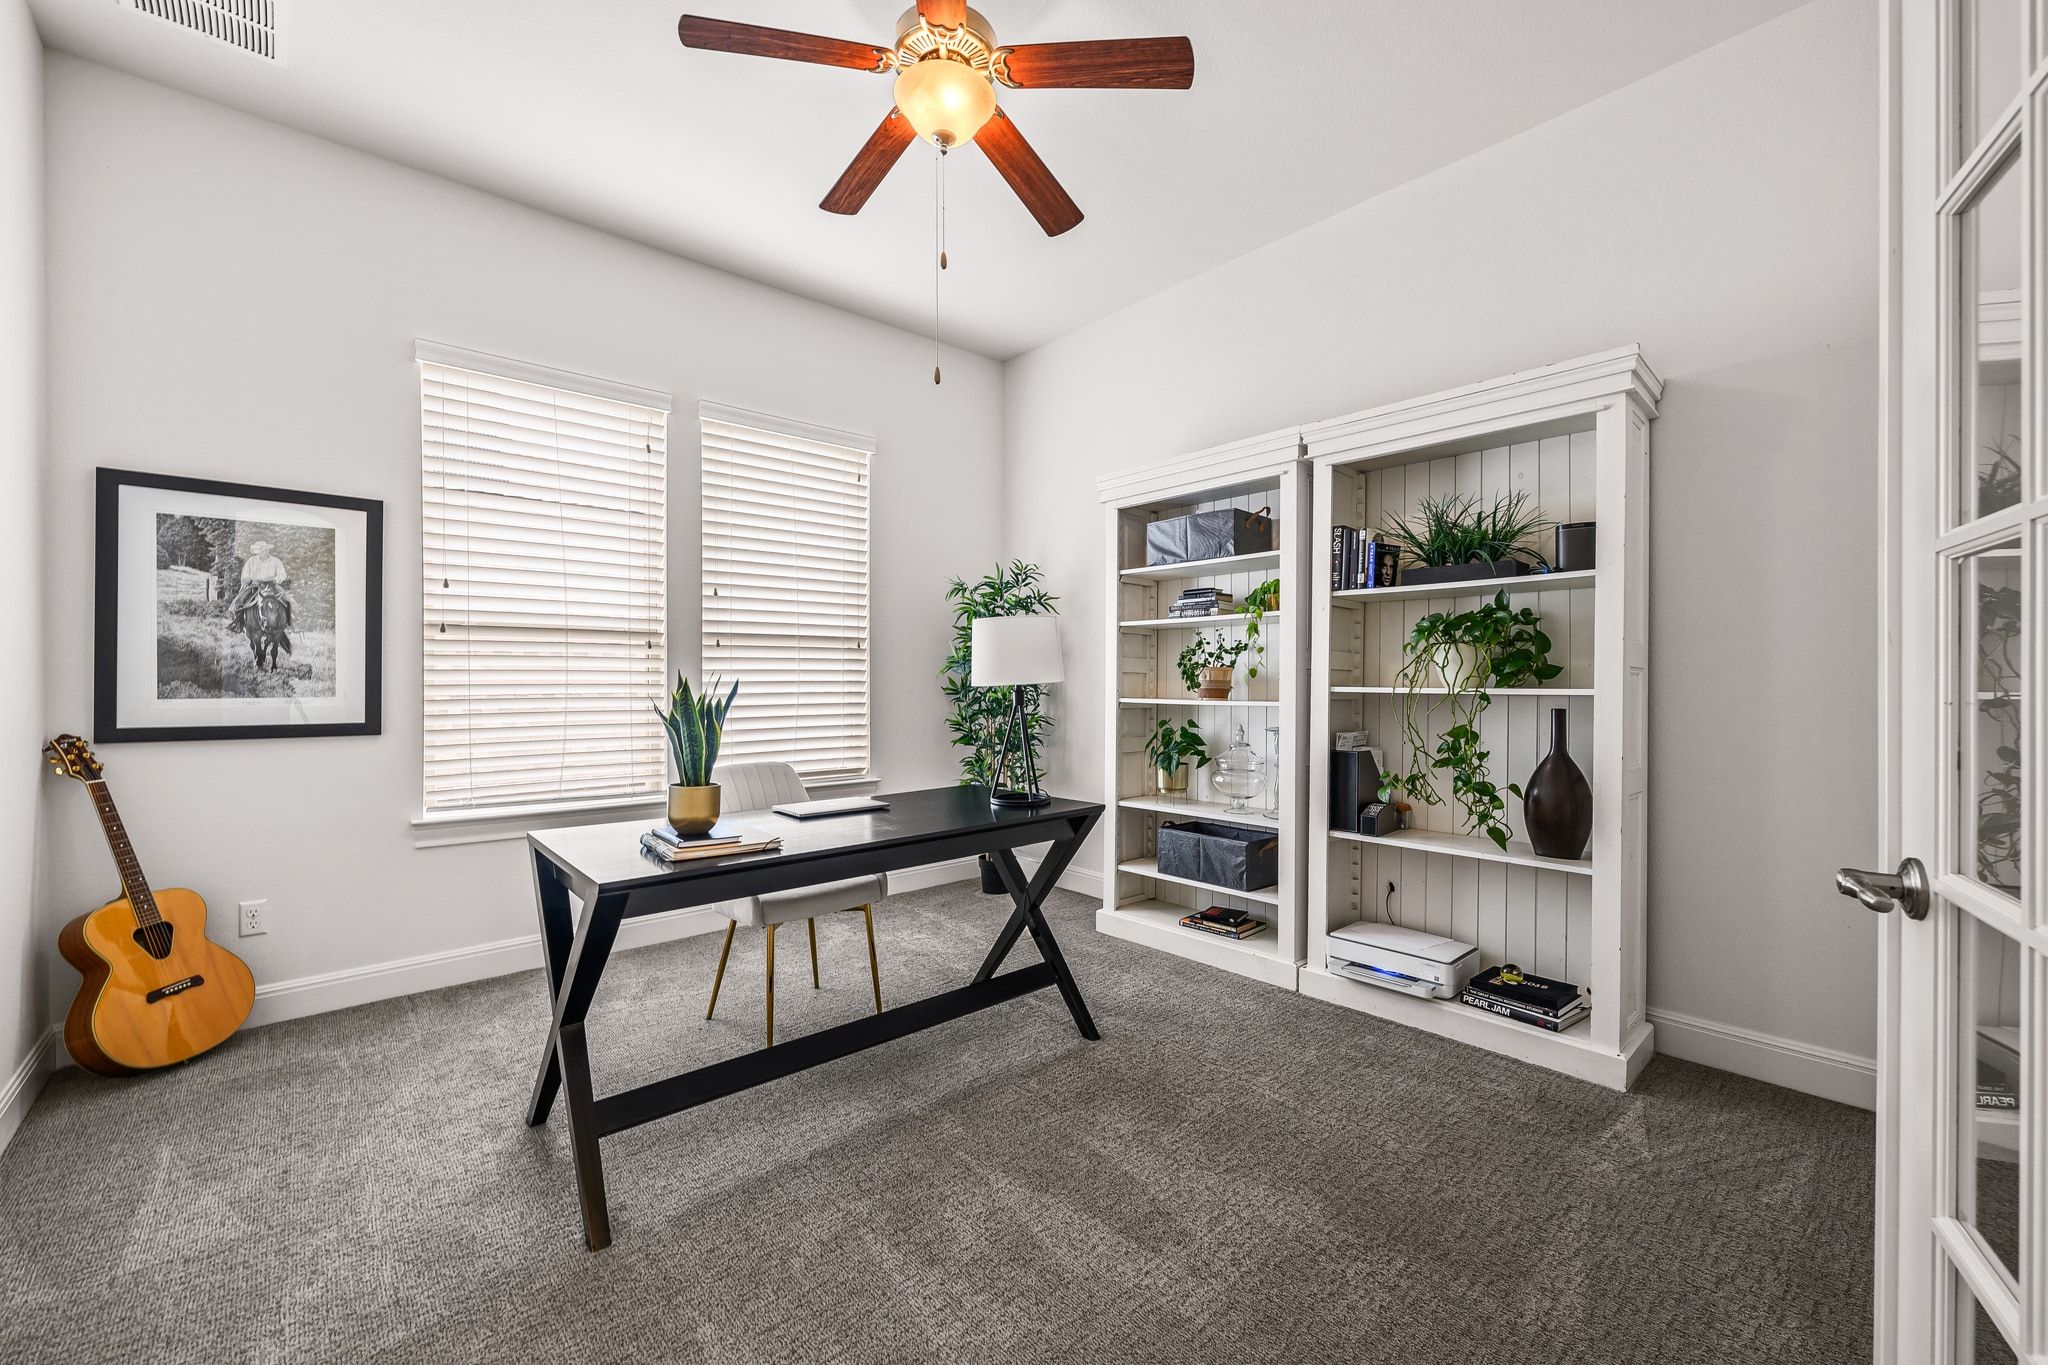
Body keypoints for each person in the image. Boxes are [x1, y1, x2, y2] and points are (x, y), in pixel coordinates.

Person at [228, 540, 293, 634]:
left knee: (289, 601)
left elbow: (283, 575)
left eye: (263, 550)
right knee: (238, 602)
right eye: (259, 551)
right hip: (255, 586)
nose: (261, 553)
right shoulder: (251, 561)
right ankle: (239, 624)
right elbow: (245, 575)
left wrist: (276, 579)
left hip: (272, 585)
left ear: (267, 550)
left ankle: (287, 625)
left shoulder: (276, 561)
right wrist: (248, 580)